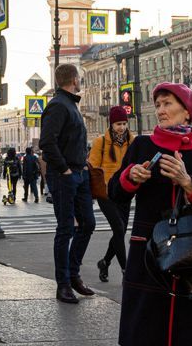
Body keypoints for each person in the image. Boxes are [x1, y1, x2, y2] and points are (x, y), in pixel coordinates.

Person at [109, 83, 192, 346]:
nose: (161, 110)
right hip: (149, 254)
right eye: (158, 104)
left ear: (187, 112)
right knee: (145, 329)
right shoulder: (141, 146)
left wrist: (189, 183)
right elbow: (115, 192)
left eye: (168, 104)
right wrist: (130, 177)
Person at [40, 63, 96, 303]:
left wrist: (82, 165)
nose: (80, 81)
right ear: (74, 79)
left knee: (88, 224)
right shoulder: (57, 106)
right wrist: (64, 170)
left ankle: (73, 274)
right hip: (65, 176)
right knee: (66, 229)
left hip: (79, 173)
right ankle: (63, 284)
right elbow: (47, 143)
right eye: (79, 78)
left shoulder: (70, 104)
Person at [89, 106, 132, 283]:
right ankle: (126, 271)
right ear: (111, 124)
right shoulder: (101, 142)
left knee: (119, 233)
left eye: (123, 123)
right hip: (106, 193)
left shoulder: (132, 141)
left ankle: (105, 262)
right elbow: (93, 167)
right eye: (117, 124)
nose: (121, 127)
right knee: (119, 229)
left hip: (125, 192)